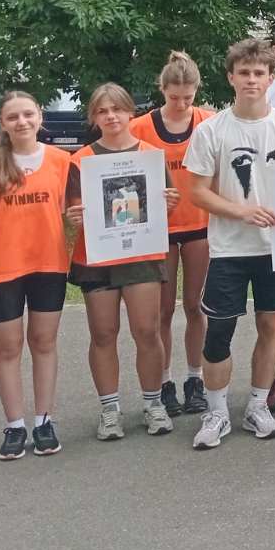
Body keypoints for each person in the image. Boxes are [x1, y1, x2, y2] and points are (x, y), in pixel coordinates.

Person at [184, 39, 275, 449]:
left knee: (271, 326)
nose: (251, 79)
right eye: (244, 73)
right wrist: (241, 211)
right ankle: (216, 413)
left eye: (259, 73)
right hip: (229, 248)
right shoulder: (211, 130)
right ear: (231, 77)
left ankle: (257, 406)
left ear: (270, 78)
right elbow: (197, 191)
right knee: (219, 332)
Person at [65, 84, 178, 441]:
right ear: (93, 118)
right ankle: (110, 410)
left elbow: (164, 209)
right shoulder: (80, 159)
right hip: (97, 257)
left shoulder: (151, 155)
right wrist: (74, 216)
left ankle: (154, 403)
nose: (111, 116)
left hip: (141, 254)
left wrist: (168, 204)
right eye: (102, 111)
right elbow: (73, 209)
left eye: (117, 109)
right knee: (103, 333)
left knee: (147, 330)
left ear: (131, 112)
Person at [0, 92, 72, 460]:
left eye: (28, 114)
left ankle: (43, 421)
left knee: (44, 342)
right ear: (2, 122)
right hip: (1, 267)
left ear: (40, 116)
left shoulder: (61, 161)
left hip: (48, 265)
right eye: (13, 117)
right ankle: (14, 425)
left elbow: (68, 211)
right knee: (8, 347)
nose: (22, 122)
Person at [130, 52, 213, 418]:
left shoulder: (208, 123)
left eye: (187, 97)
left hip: (199, 224)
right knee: (162, 310)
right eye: (174, 96)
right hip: (158, 229)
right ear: (162, 89)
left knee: (195, 306)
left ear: (196, 92)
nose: (180, 103)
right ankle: (163, 381)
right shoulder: (139, 128)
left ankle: (195, 378)